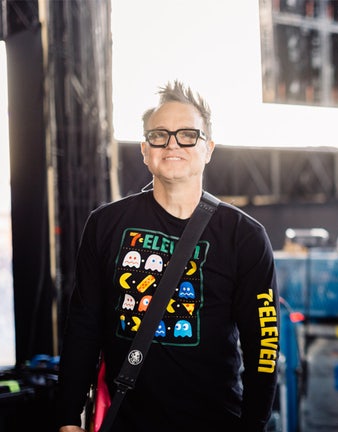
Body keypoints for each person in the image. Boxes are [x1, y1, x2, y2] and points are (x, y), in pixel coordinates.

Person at [55, 81, 279, 432]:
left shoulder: (244, 236)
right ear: (145, 150)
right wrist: (67, 418)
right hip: (126, 421)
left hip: (217, 422)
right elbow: (83, 326)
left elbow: (263, 346)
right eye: (160, 135)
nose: (173, 144)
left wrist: (254, 426)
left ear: (209, 148)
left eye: (188, 135)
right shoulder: (105, 224)